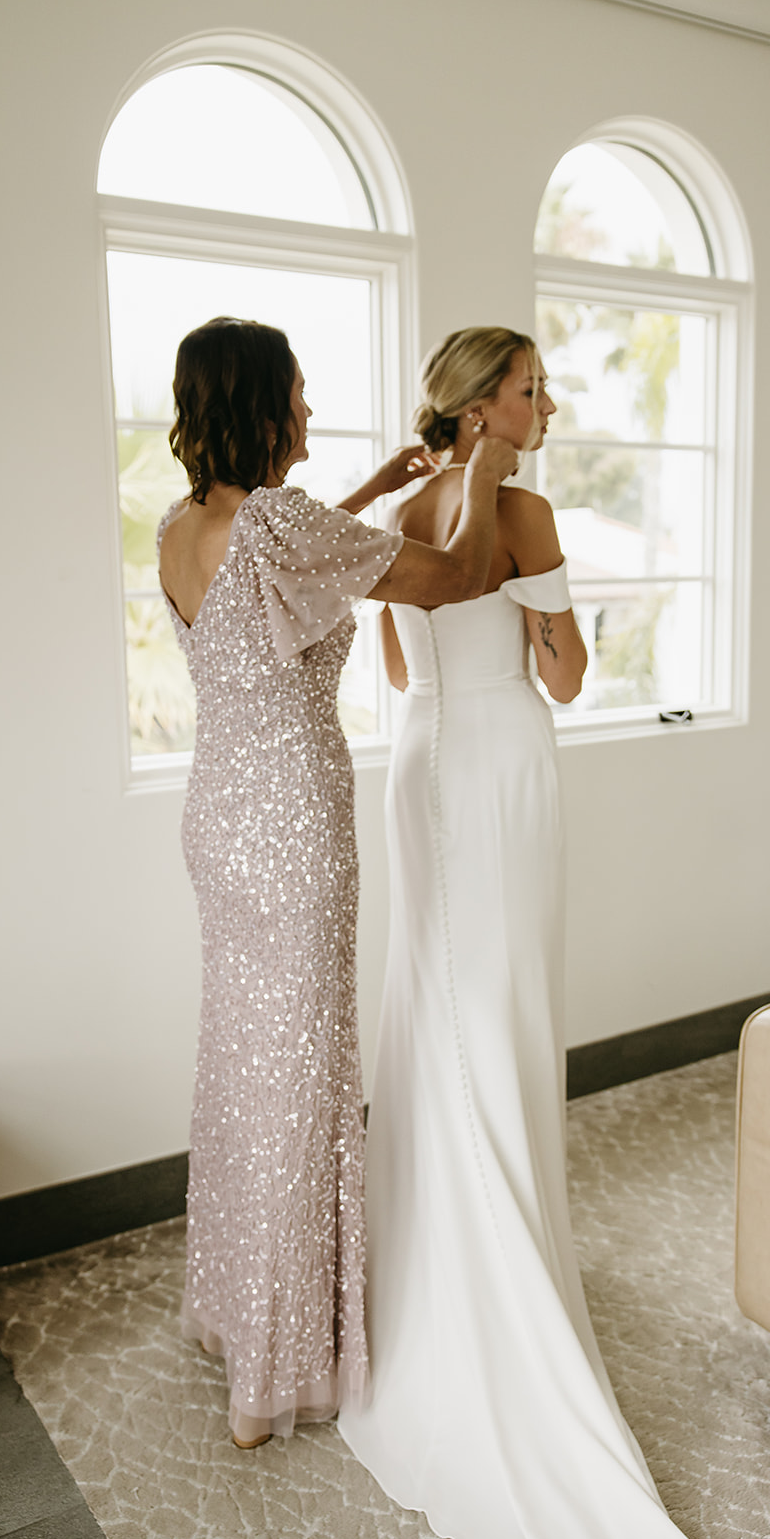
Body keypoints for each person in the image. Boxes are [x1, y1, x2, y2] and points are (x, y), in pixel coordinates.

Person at [339, 327, 705, 1539]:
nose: (547, 404)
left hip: (421, 760)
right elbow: (565, 680)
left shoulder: (400, 515)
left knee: (435, 999)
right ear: (479, 410)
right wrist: (548, 625)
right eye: (527, 389)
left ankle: (435, 1256)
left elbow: (397, 664)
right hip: (497, 767)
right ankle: (502, 1261)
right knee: (498, 1006)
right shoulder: (528, 515)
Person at [156, 316, 518, 1451]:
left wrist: (373, 481)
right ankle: (268, 1381)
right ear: (260, 406)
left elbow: (296, 557)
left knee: (243, 1072)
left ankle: (235, 1317)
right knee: (301, 1086)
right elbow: (457, 575)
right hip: (296, 835)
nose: (310, 414)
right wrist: (487, 468)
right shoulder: (278, 523)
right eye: (299, 397)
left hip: (219, 823)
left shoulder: (186, 525)